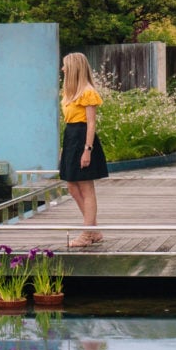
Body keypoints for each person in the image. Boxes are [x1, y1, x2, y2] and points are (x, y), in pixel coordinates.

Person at [59, 52, 108, 248]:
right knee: (71, 185)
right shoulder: (70, 92)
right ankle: (93, 229)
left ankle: (87, 233)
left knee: (86, 187)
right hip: (71, 137)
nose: (62, 69)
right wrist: (65, 148)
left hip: (82, 138)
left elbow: (91, 123)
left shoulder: (87, 92)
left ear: (74, 68)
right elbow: (69, 122)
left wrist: (87, 149)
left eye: (65, 66)